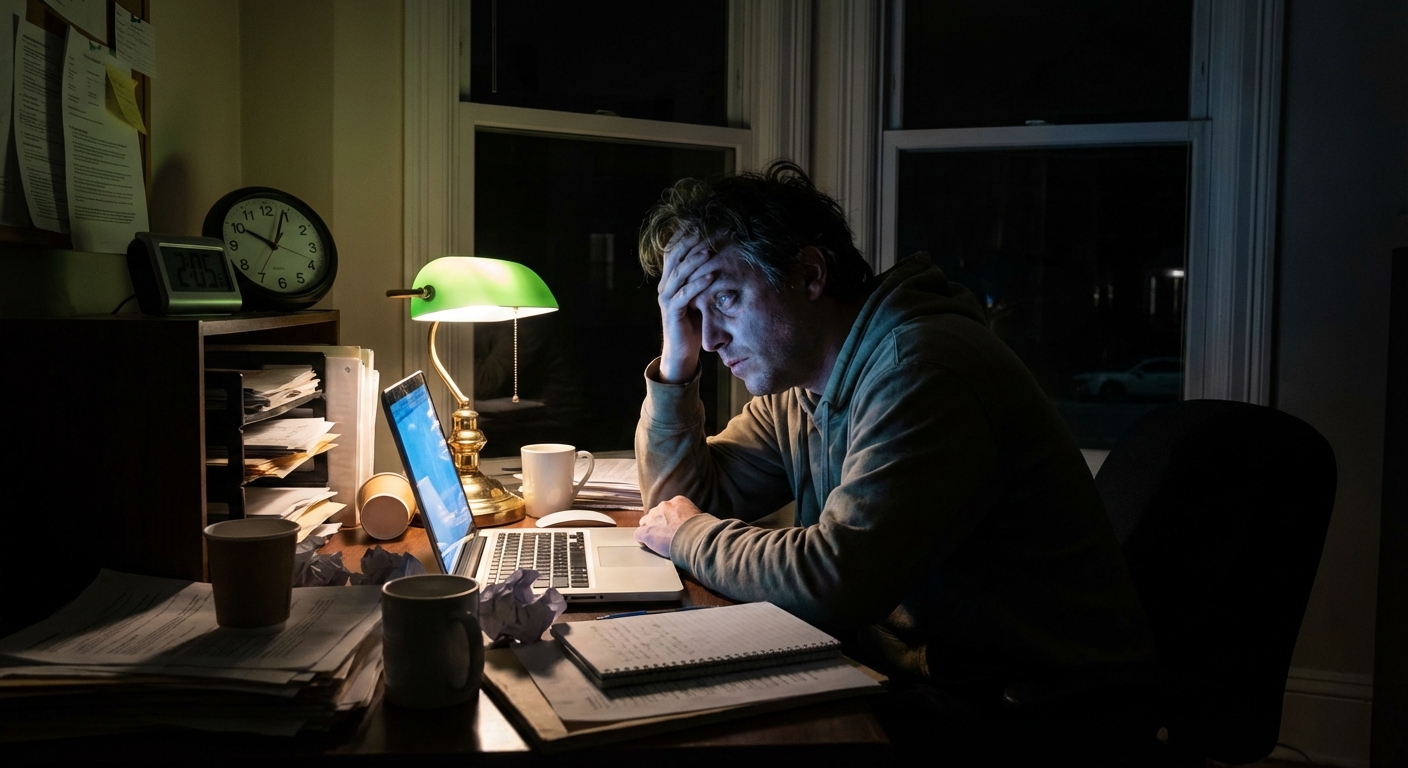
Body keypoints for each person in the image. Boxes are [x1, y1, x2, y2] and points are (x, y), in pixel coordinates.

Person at [631, 160, 1155, 717]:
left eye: (726, 299)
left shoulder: (922, 369)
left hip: (1027, 707)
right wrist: (674, 364)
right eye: (691, 313)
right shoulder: (799, 386)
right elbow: (677, 502)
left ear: (810, 275)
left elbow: (833, 580)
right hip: (919, 671)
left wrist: (690, 535)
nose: (708, 338)